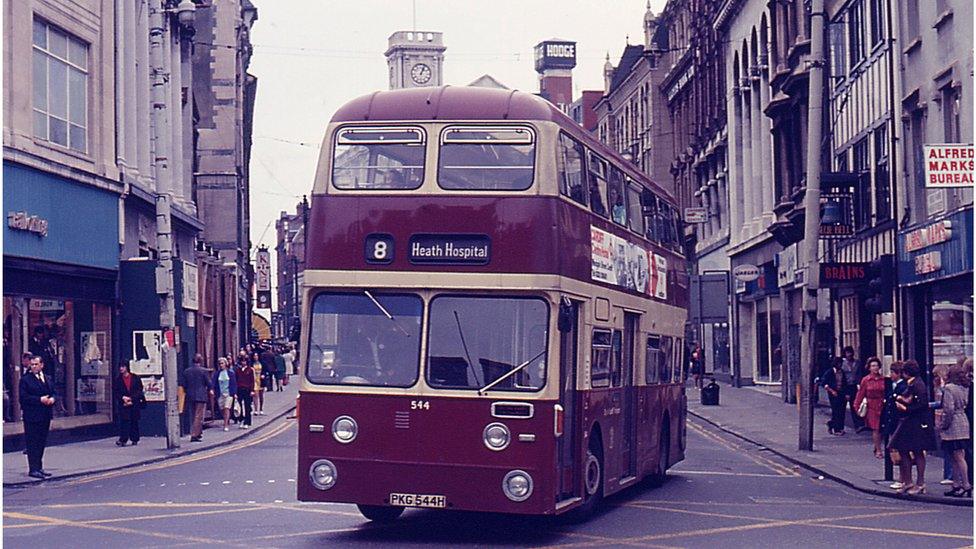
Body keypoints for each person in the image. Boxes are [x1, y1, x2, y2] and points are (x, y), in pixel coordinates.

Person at [889, 359, 937, 494]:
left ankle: (920, 483)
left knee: (917, 451)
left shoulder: (918, 385)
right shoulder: (913, 383)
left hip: (917, 423)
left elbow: (922, 405)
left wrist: (905, 408)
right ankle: (908, 481)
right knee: (903, 449)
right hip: (909, 422)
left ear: (907, 372)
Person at [938, 364, 972, 497]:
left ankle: (965, 484)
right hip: (963, 421)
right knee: (957, 456)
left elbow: (948, 409)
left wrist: (943, 424)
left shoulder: (949, 388)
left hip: (953, 425)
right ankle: (956, 484)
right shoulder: (964, 387)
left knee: (957, 456)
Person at [19, 355, 55, 479]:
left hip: (45, 415)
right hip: (32, 416)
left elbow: (53, 392)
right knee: (32, 442)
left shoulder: (47, 378)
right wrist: (40, 399)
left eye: (36, 364)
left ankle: (39, 467)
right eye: (32, 364)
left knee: (41, 441)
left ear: (42, 365)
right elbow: (23, 398)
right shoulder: (25, 380)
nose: (33, 366)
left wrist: (52, 399)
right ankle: (33, 469)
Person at [881, 361, 908, 490]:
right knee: (897, 452)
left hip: (900, 423)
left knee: (901, 453)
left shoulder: (903, 386)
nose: (890, 375)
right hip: (893, 422)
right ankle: (902, 479)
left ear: (898, 374)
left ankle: (903, 479)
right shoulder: (892, 385)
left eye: (892, 372)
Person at [853, 357, 885, 458]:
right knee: (875, 428)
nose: (875, 368)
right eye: (873, 366)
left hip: (882, 405)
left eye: (876, 366)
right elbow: (860, 394)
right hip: (872, 406)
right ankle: (879, 450)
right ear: (869, 368)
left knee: (882, 428)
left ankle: (877, 446)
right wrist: (856, 406)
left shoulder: (883, 379)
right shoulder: (866, 380)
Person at [184, 354, 213, 442]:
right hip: (201, 396)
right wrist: (211, 389)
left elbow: (184, 384)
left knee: (194, 415)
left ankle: (198, 433)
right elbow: (209, 383)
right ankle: (194, 435)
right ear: (200, 361)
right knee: (199, 416)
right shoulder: (203, 371)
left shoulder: (187, 371)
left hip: (190, 395)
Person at [114, 362, 145, 446]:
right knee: (124, 421)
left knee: (134, 421)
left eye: (123, 366)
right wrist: (123, 398)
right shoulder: (118, 380)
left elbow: (139, 390)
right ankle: (123, 440)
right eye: (120, 367)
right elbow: (116, 392)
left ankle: (134, 439)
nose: (121, 368)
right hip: (123, 403)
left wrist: (132, 398)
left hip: (134, 403)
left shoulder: (135, 378)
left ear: (127, 367)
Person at [840, 346, 866, 432]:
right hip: (846, 386)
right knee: (842, 407)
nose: (849, 355)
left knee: (855, 404)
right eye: (847, 353)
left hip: (854, 385)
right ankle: (839, 426)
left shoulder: (857, 363)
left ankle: (858, 424)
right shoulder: (842, 364)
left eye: (850, 353)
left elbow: (860, 373)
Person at [821, 358, 848, 436]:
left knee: (842, 410)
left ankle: (838, 426)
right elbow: (824, 383)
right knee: (836, 410)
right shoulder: (830, 372)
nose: (840, 365)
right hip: (833, 393)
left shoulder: (842, 372)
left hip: (841, 392)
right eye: (839, 363)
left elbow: (844, 383)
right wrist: (831, 390)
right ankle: (836, 428)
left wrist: (846, 393)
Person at [211, 357, 237, 432]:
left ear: (226, 364)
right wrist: (212, 389)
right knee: (222, 409)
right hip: (220, 394)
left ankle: (225, 425)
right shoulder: (217, 374)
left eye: (222, 363)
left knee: (226, 408)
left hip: (228, 394)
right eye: (220, 364)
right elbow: (213, 382)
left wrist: (234, 393)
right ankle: (227, 419)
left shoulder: (230, 373)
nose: (221, 365)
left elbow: (234, 384)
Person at [233, 353, 255, 429]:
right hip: (239, 389)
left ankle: (247, 422)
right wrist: (235, 392)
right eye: (242, 361)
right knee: (240, 406)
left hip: (247, 389)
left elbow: (252, 381)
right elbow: (235, 381)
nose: (243, 363)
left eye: (245, 361)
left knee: (247, 406)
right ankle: (241, 420)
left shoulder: (250, 370)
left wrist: (252, 390)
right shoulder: (238, 370)